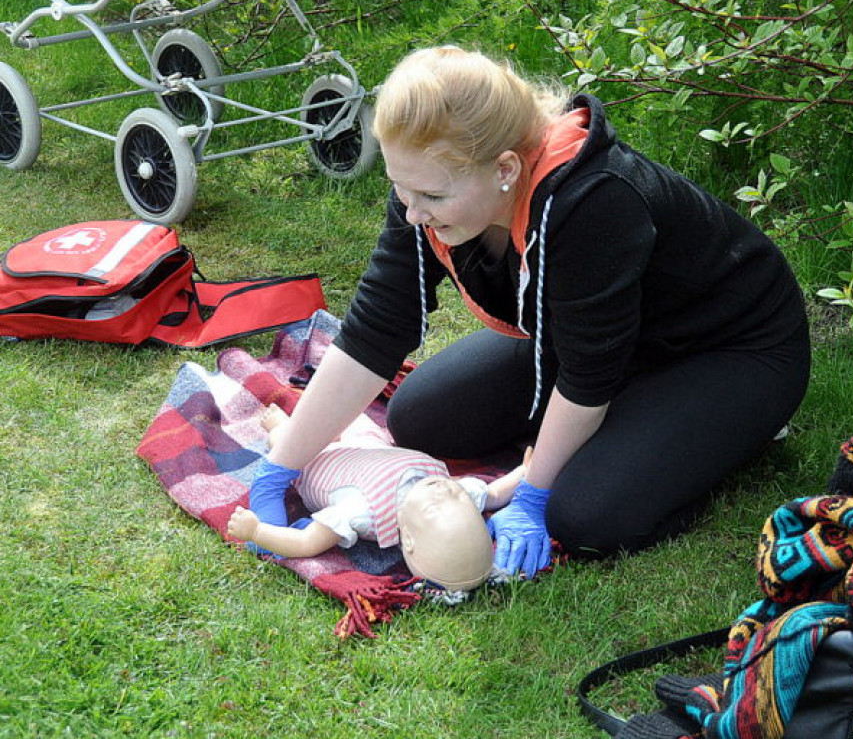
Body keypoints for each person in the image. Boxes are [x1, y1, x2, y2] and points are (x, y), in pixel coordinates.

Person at [254, 45, 811, 579]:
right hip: (607, 341)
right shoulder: (423, 187)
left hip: (735, 350)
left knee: (587, 516)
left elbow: (591, 378)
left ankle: (737, 426)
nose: (414, 213)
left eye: (431, 198)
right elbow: (377, 328)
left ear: (504, 168)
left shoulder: (594, 201)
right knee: (421, 418)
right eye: (401, 189)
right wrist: (281, 467)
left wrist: (532, 493)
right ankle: (640, 423)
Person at [228, 406, 528, 591]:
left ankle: (280, 426)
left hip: (316, 460)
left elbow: (306, 542)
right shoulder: (452, 494)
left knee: (286, 440)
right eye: (461, 499)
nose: (447, 489)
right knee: (349, 405)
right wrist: (527, 470)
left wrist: (256, 531)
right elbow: (494, 493)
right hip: (370, 446)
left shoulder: (363, 513)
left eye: (438, 504)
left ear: (408, 539)